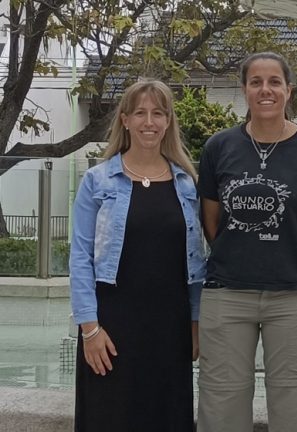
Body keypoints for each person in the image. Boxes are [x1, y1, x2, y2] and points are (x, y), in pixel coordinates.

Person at [196, 52, 297, 432]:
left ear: (288, 90)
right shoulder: (218, 147)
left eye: (274, 82)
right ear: (244, 89)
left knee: (295, 407)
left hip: (293, 296)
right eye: (256, 82)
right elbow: (210, 220)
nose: (266, 90)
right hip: (227, 293)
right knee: (220, 404)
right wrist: (239, 253)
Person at [69, 78, 205, 431]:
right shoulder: (98, 181)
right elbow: (80, 256)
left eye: (158, 113)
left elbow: (193, 262)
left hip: (169, 329)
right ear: (125, 120)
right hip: (111, 328)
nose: (150, 122)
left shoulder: (186, 184)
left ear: (168, 121)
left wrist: (195, 323)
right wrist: (89, 329)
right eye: (141, 113)